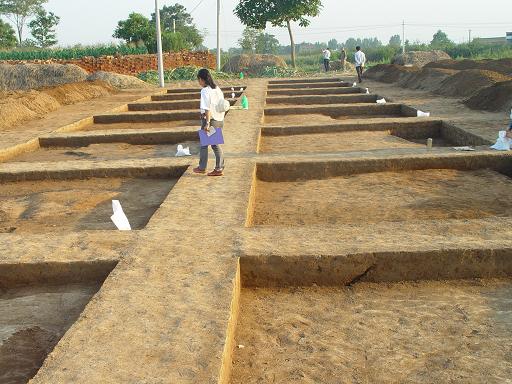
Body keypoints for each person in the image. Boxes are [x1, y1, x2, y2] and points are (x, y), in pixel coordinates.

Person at [193, 68, 225, 176]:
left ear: (202, 79)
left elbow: (207, 108)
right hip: (219, 119)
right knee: (204, 143)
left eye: (199, 80)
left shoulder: (205, 91)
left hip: (210, 120)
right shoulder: (217, 89)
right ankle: (202, 167)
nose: (199, 83)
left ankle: (219, 168)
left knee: (214, 144)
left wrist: (207, 123)